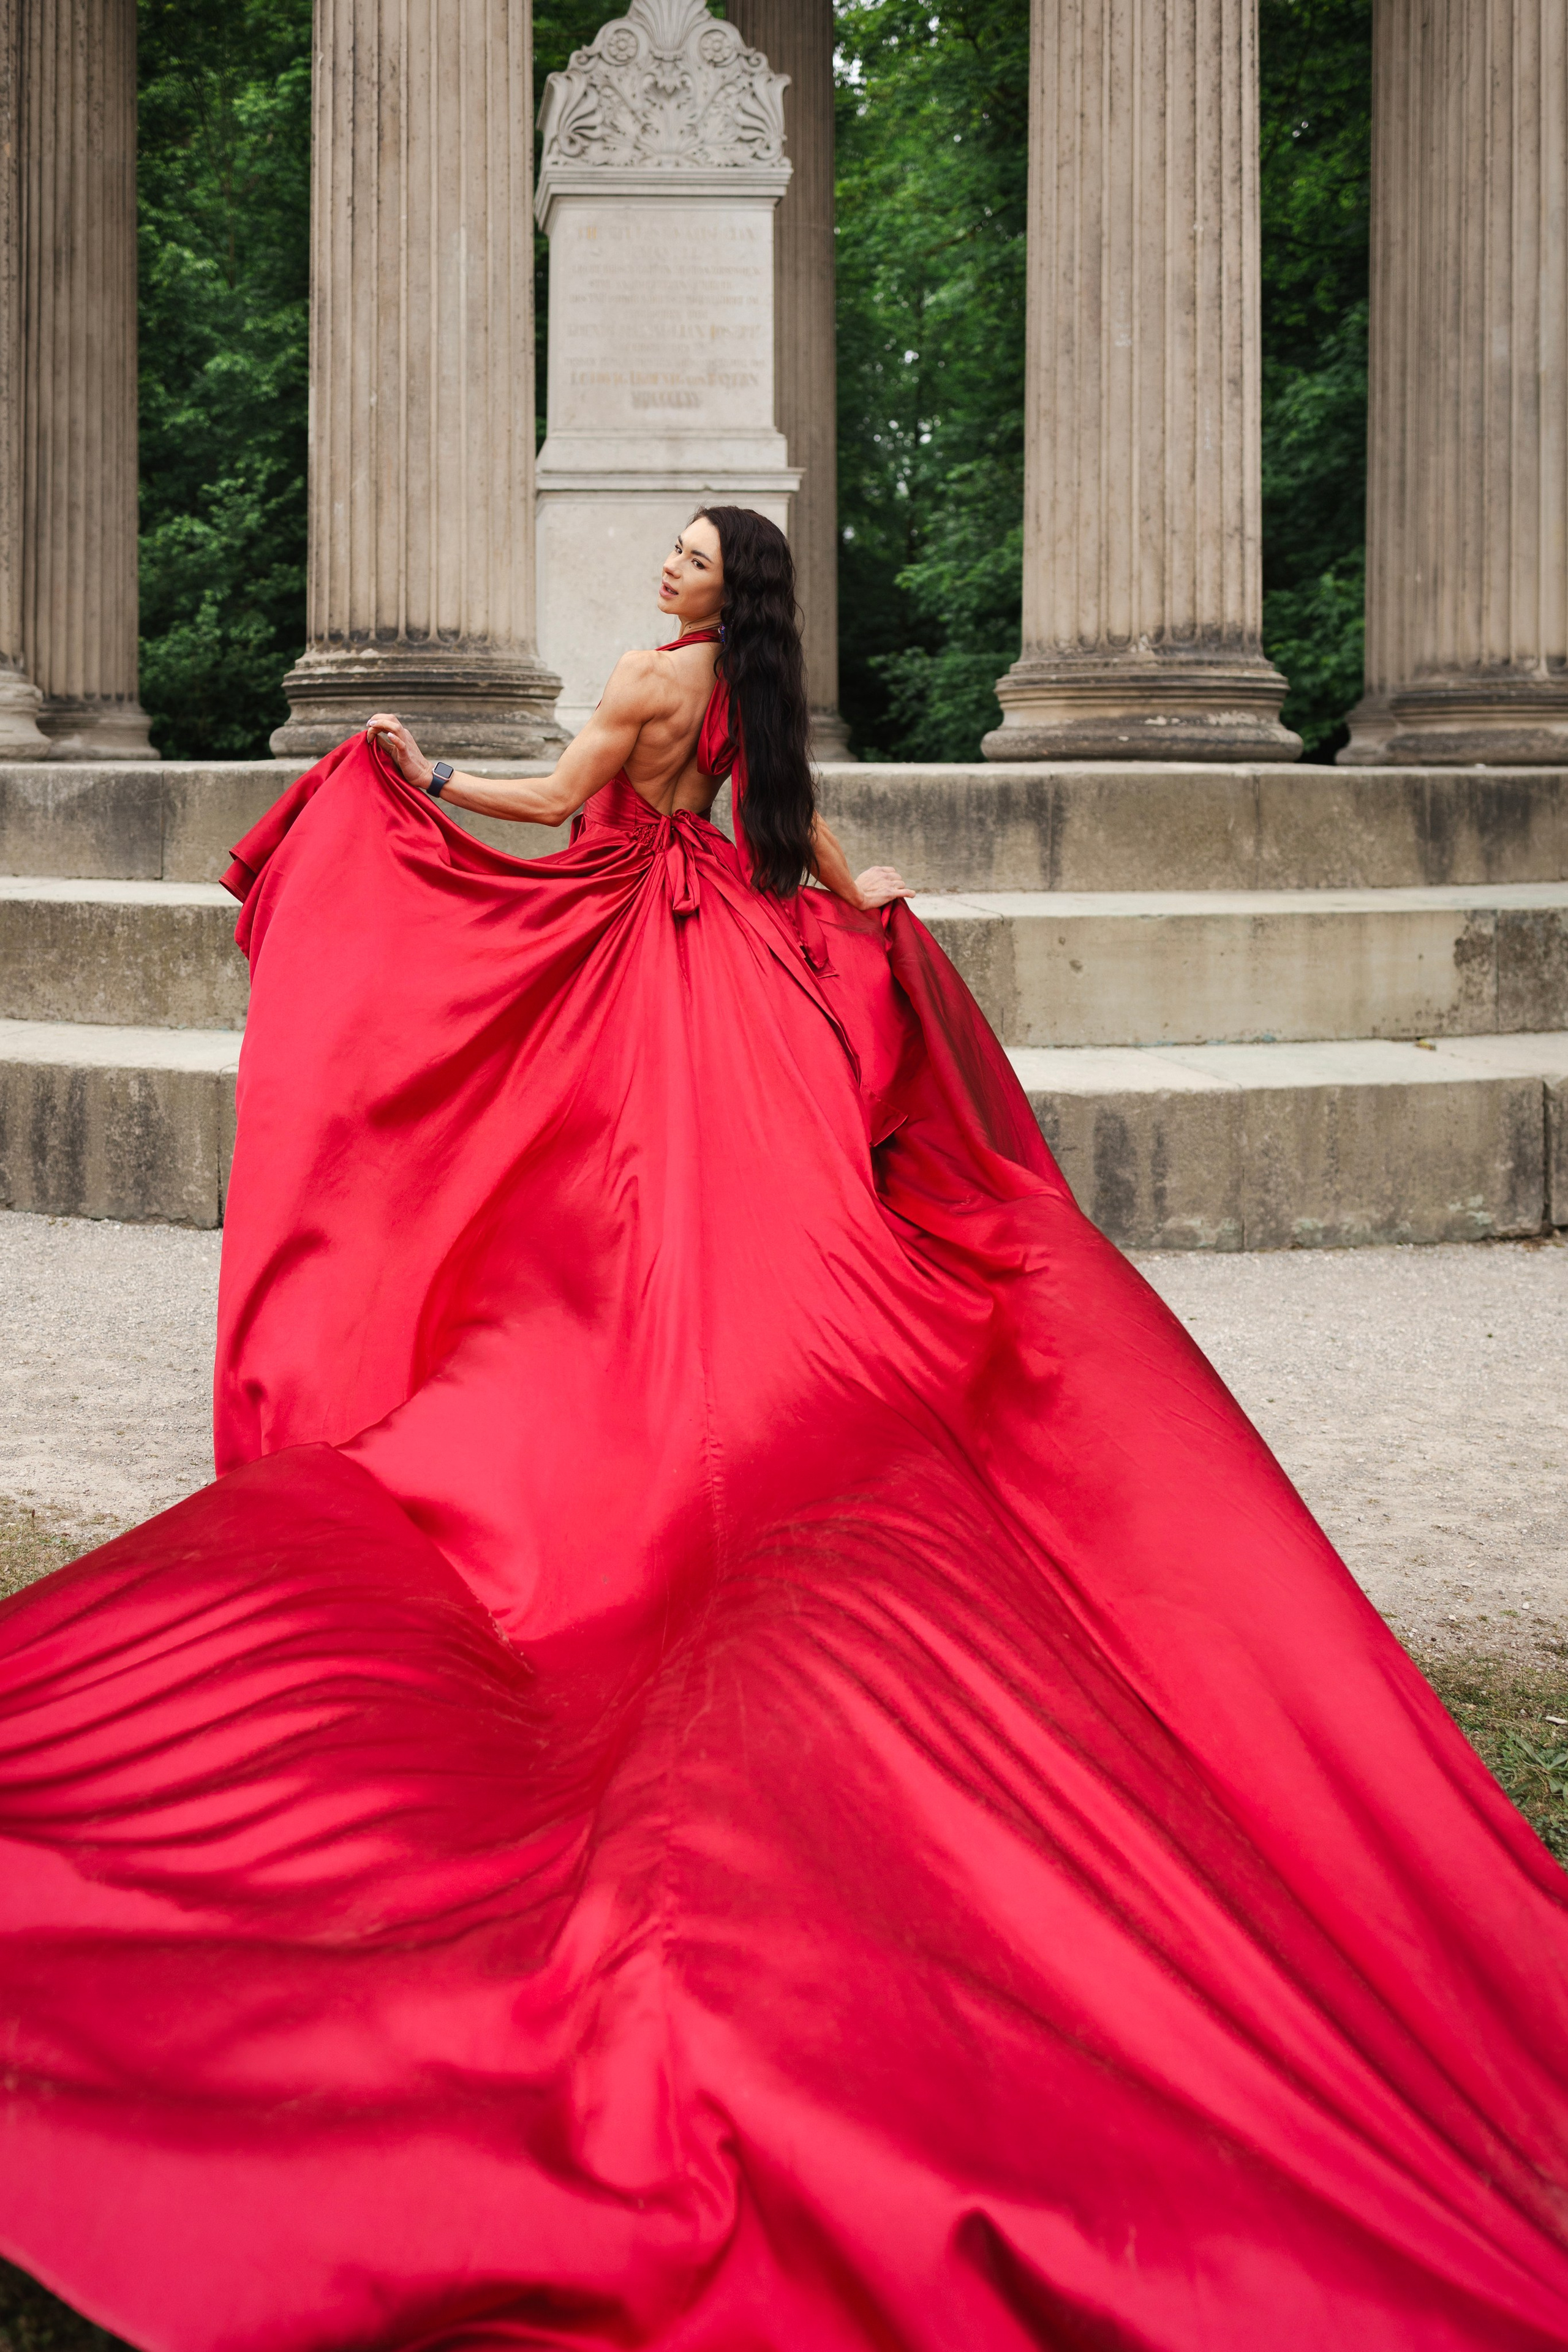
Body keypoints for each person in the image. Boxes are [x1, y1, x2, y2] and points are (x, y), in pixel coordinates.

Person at [0, 503, 1566, 2352]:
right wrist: (876, 897)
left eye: (684, 556)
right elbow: (799, 834)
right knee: (749, 1226)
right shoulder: (751, 693)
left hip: (650, 981)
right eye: (668, 554)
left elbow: (545, 803)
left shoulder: (656, 682)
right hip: (745, 964)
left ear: (711, 595)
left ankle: (642, 1440)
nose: (663, 572)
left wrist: (407, 780)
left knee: (605, 1233)